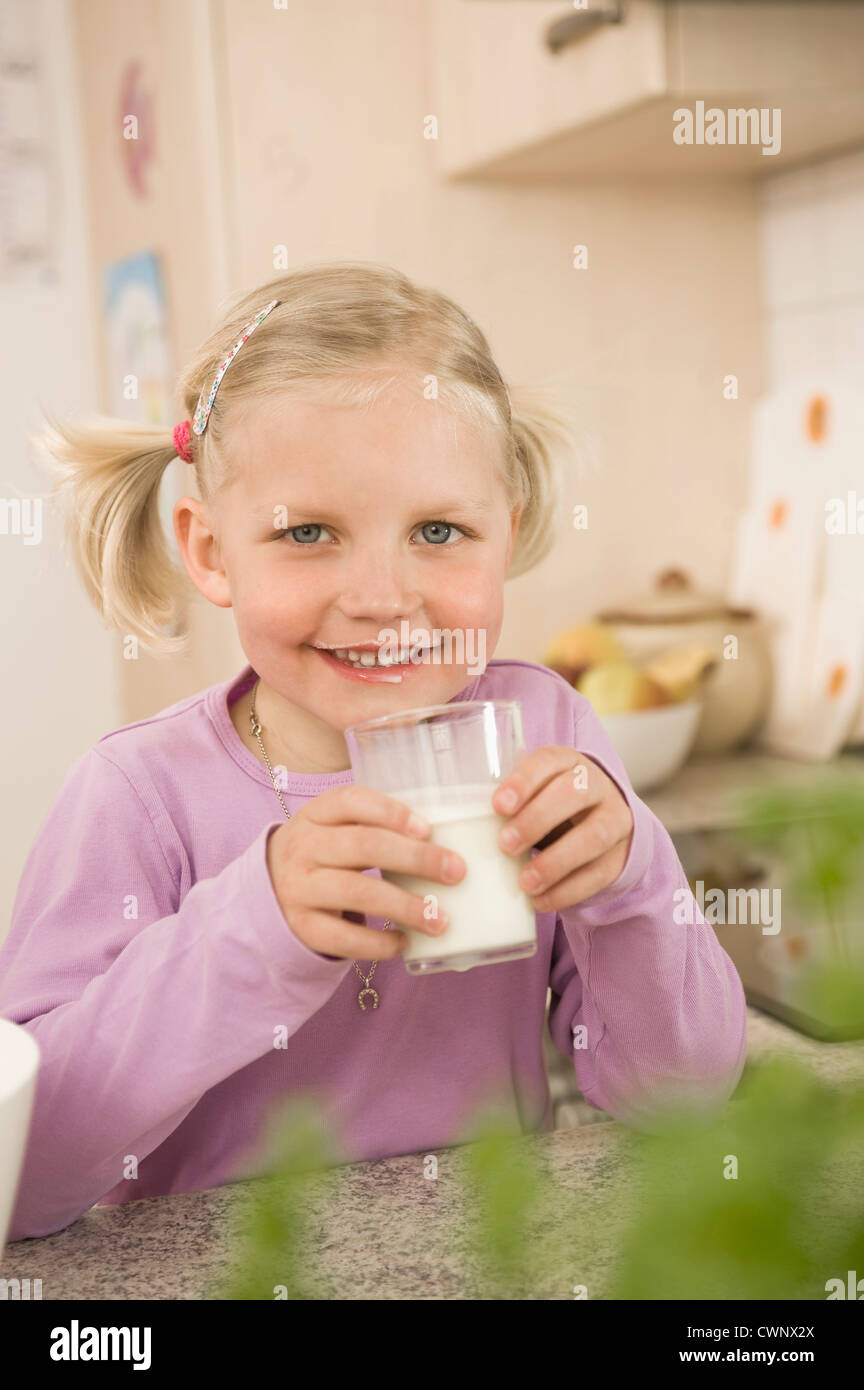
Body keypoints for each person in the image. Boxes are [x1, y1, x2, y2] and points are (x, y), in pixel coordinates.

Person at [0, 261, 747, 1241]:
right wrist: (255, 923)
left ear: (505, 533)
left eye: (439, 529)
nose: (385, 596)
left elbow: (680, 1100)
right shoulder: (137, 793)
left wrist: (633, 881)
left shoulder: (544, 731)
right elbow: (27, 1175)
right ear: (211, 550)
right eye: (309, 532)